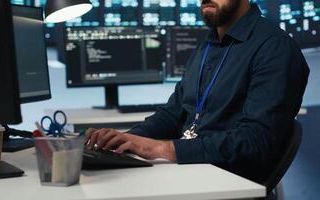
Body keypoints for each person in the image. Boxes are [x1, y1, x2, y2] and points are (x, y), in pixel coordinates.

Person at [84, 0, 309, 183]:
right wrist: (128, 139)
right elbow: (173, 114)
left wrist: (162, 148)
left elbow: (255, 142)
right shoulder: (208, 44)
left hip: (225, 182)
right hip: (189, 172)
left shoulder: (275, 48)